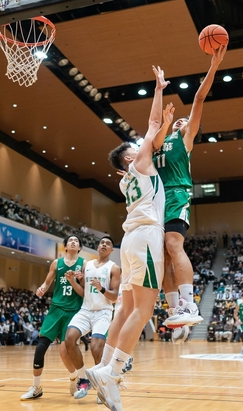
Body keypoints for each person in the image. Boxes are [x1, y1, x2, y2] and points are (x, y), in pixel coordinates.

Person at [86, 65, 168, 411]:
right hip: (146, 236)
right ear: (130, 158)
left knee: (128, 307)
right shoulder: (141, 164)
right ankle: (113, 371)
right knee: (144, 309)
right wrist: (159, 89)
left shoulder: (125, 180)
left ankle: (104, 368)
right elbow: (153, 124)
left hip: (130, 241)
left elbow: (152, 133)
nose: (141, 146)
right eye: (136, 148)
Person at [154, 46, 226, 341]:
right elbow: (153, 127)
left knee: (173, 244)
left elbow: (198, 99)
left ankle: (189, 301)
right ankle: (175, 312)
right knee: (162, 256)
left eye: (186, 121)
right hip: (156, 200)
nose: (181, 121)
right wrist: (159, 91)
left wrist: (214, 66)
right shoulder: (160, 139)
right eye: (179, 120)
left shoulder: (184, 141)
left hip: (176, 194)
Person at [20, 235, 86, 401]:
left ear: (79, 248)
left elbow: (84, 292)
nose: (73, 242)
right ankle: (36, 388)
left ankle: (74, 377)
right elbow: (47, 283)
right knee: (40, 348)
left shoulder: (84, 264)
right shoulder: (56, 263)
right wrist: (41, 289)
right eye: (70, 241)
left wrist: (80, 279)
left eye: (76, 241)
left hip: (73, 311)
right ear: (65, 246)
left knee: (64, 352)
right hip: (55, 309)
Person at [64, 236, 121, 400]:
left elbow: (114, 297)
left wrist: (102, 289)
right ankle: (83, 378)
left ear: (111, 250)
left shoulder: (114, 268)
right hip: (86, 310)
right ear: (97, 247)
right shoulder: (87, 265)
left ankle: (102, 386)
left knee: (96, 348)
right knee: (69, 339)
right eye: (102, 242)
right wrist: (72, 281)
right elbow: (84, 292)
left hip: (103, 311)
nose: (104, 245)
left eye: (108, 244)